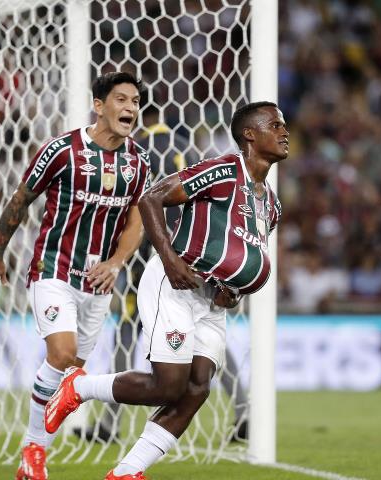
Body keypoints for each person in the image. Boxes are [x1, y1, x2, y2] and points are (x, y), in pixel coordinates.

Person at [44, 101, 288, 480]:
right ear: (250, 135)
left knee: (197, 388)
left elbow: (243, 258)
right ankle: (80, 387)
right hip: (173, 280)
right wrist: (172, 260)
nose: (285, 132)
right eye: (275, 125)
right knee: (167, 385)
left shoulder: (270, 205)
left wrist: (234, 293)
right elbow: (150, 198)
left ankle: (126, 472)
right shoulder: (222, 170)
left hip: (213, 300)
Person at [0, 71, 150, 480]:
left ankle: (30, 461)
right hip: (53, 268)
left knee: (70, 373)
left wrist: (116, 263)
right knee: (60, 354)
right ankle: (34, 451)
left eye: (136, 102)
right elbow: (21, 199)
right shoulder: (62, 150)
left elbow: (135, 223)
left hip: (98, 281)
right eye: (122, 100)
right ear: (99, 105)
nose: (130, 109)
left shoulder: (138, 162)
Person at [75, 105, 251, 443]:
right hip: (198, 253)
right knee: (207, 336)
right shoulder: (192, 150)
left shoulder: (136, 150)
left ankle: (110, 424)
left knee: (127, 332)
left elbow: (133, 204)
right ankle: (245, 413)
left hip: (153, 258)